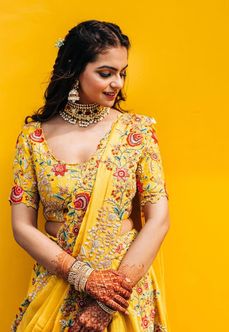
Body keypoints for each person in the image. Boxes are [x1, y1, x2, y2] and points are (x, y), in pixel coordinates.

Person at [9, 19, 170, 332]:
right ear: (74, 69)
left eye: (122, 73)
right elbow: (21, 226)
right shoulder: (33, 139)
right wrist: (84, 277)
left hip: (124, 291)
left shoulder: (136, 133)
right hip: (57, 285)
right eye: (105, 73)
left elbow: (159, 219)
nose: (117, 83)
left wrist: (108, 300)